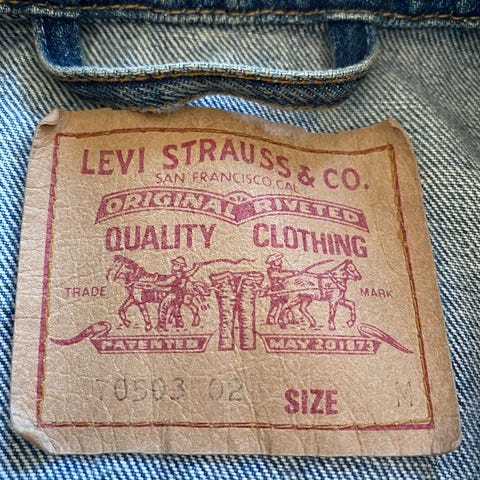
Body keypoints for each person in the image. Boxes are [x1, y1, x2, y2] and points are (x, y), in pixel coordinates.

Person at [264, 253, 298, 326]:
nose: (281, 261)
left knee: (284, 303)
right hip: (276, 289)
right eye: (279, 260)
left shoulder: (278, 270)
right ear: (274, 261)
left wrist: (293, 272)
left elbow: (284, 273)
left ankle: (286, 318)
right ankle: (272, 319)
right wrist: (293, 274)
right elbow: (278, 275)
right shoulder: (271, 270)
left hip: (282, 288)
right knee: (276, 304)